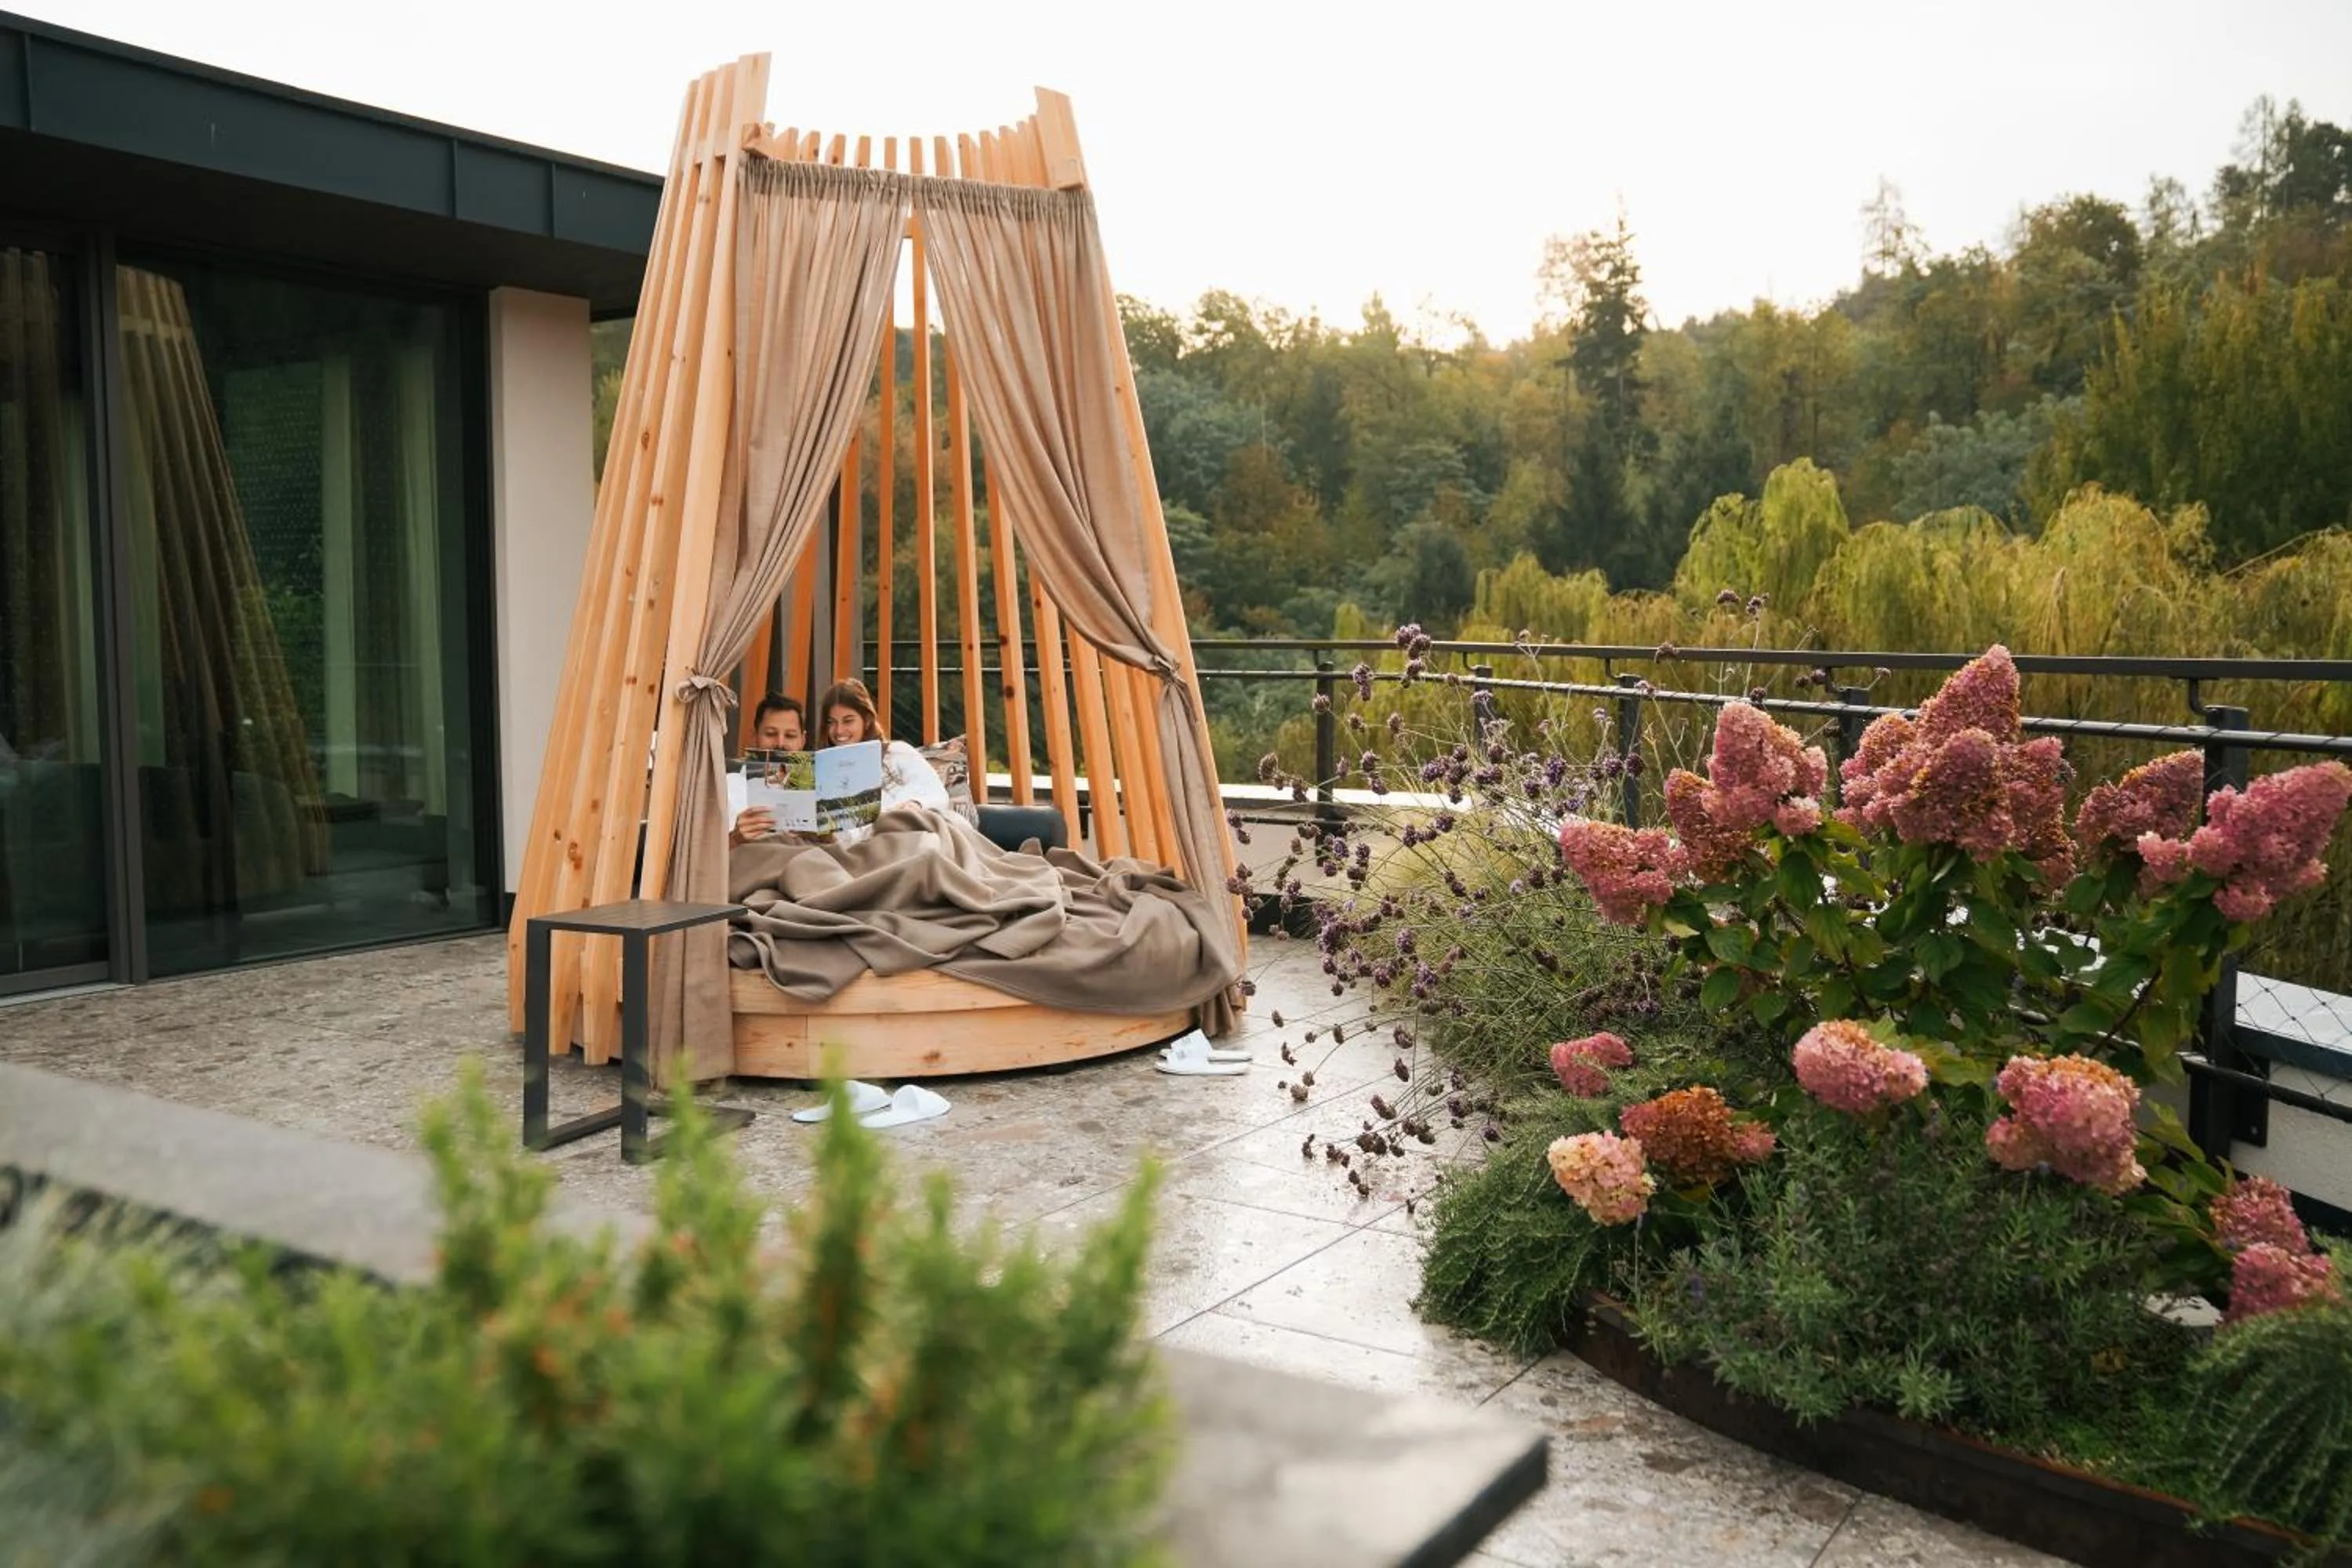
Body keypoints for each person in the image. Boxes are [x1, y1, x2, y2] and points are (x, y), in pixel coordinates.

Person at [816, 678, 953, 823]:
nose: (839, 730)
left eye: (848, 721)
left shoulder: (896, 753)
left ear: (867, 720)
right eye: (831, 722)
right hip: (858, 841)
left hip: (906, 828)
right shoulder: (822, 769)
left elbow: (932, 789)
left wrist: (913, 804)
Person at [728, 694, 808, 848]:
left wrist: (827, 837)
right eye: (771, 734)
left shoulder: (819, 790)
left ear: (803, 741)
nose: (780, 744)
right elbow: (705, 855)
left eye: (790, 736)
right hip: (757, 864)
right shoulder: (727, 786)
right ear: (754, 737)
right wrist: (735, 839)